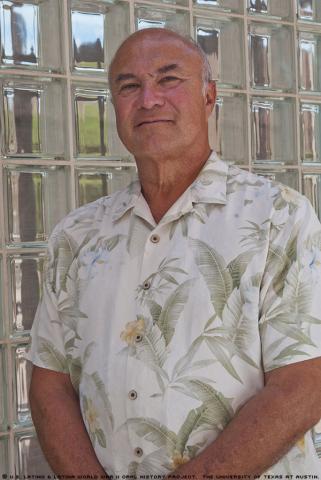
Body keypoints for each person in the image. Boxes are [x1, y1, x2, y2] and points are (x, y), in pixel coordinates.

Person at [27, 28, 321, 478]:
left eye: (168, 80)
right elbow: (51, 382)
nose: (148, 100)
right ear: (115, 108)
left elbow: (304, 383)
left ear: (209, 96)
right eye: (129, 86)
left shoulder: (278, 217)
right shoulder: (77, 235)